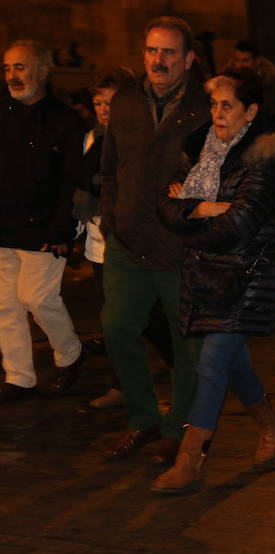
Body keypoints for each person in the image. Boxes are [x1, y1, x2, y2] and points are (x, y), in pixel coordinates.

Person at [152, 70, 275, 495]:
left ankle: (190, 459)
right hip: (207, 275)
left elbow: (239, 223)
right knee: (232, 360)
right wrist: (202, 209)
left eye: (227, 105)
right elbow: (165, 205)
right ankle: (272, 422)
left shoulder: (265, 160)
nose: (217, 113)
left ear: (250, 111)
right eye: (214, 104)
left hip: (248, 277)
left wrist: (188, 211)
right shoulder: (200, 149)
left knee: (213, 361)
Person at [100, 16, 210, 465]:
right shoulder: (126, 101)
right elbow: (109, 168)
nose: (157, 60)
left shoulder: (205, 106)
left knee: (187, 342)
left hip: (179, 245)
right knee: (117, 327)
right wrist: (112, 219)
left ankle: (176, 427)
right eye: (151, 51)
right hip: (128, 241)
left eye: (167, 52)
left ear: (187, 59)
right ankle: (142, 417)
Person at [72, 67, 174, 411]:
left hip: (132, 245)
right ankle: (124, 385)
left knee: (148, 319)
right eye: (98, 102)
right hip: (99, 245)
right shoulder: (91, 139)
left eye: (110, 102)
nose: (103, 109)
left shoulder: (138, 138)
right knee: (116, 322)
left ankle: (180, 373)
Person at [0, 39, 85, 402]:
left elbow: (73, 180)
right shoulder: (2, 113)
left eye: (20, 67)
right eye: (7, 68)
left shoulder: (65, 121)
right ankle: (19, 376)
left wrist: (61, 228)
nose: (12, 76)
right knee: (5, 305)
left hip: (46, 226)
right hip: (5, 225)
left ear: (42, 71)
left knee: (36, 297)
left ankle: (70, 354)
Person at [229, 39, 275, 119]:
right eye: (237, 60)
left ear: (257, 62)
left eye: (245, 61)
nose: (240, 65)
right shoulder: (225, 85)